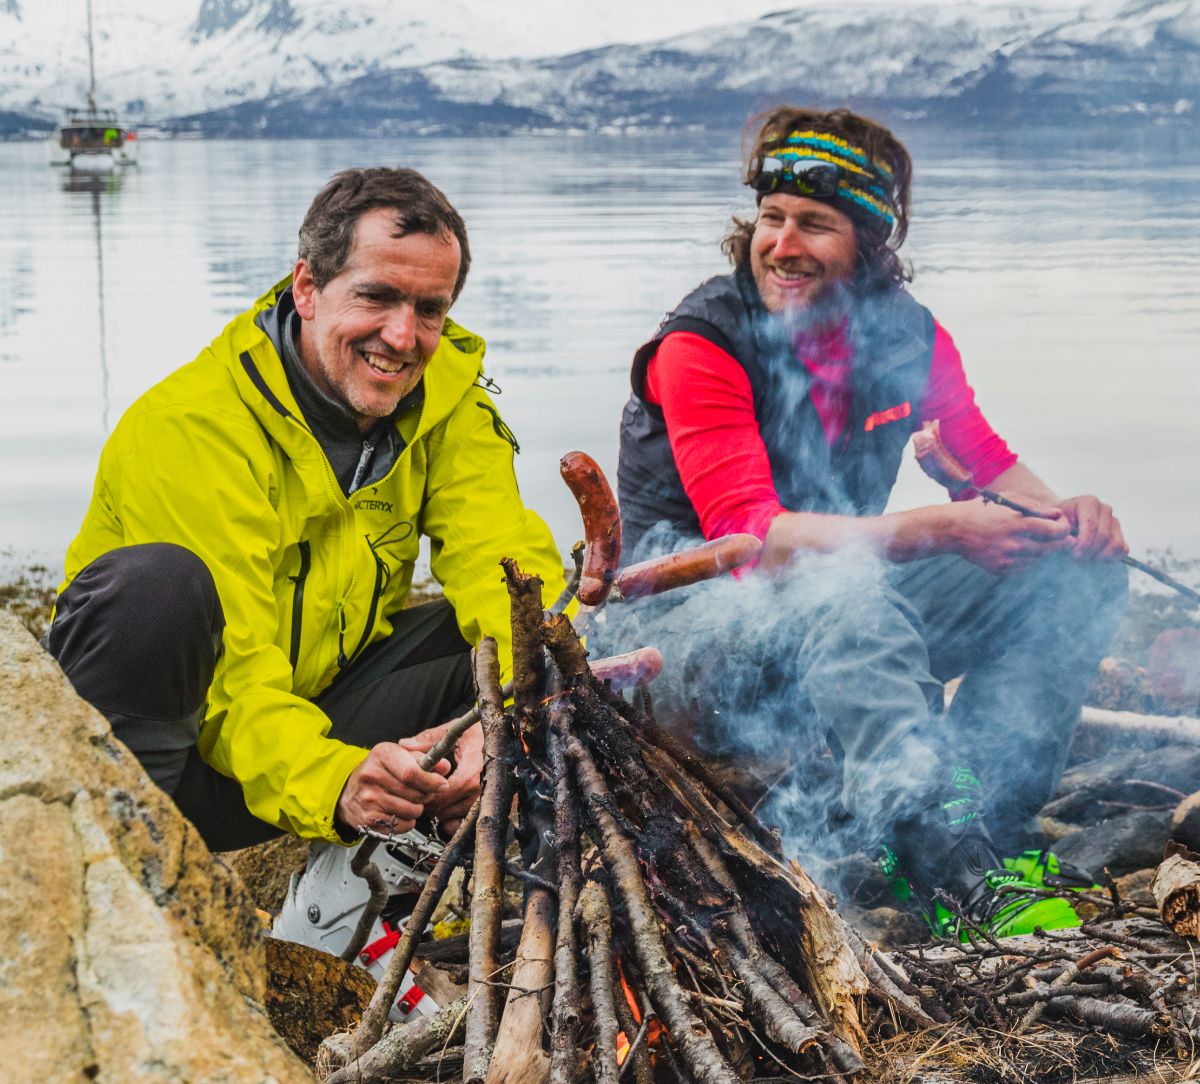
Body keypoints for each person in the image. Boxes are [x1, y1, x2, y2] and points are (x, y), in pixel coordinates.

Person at [613, 107, 1128, 937]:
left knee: (1072, 571)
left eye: (814, 224)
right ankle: (949, 872)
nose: (782, 243)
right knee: (845, 595)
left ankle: (994, 831)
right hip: (686, 639)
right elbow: (750, 541)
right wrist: (942, 527)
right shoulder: (702, 343)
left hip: (839, 609)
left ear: (869, 244)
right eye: (771, 219)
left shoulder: (906, 337)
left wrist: (1070, 519)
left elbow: (991, 464)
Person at [47, 167, 564, 864]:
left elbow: (498, 557)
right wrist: (338, 783)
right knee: (157, 587)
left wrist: (508, 721)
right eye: (375, 297)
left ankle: (444, 803)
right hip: (182, 762)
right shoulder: (193, 428)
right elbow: (234, 687)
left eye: (430, 308)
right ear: (308, 289)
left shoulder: (449, 402)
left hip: (316, 710)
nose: (403, 336)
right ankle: (129, 864)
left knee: (521, 629)